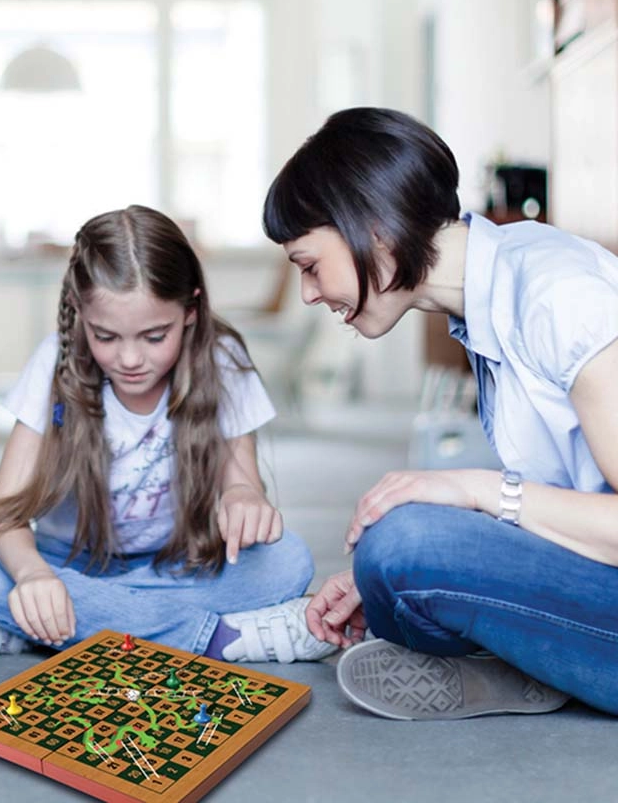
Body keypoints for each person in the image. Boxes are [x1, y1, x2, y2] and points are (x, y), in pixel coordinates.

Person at [263, 106, 618, 720]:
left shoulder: (560, 296)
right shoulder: (490, 293)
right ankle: (530, 664)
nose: (309, 293)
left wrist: (475, 492)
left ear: (373, 227)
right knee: (391, 551)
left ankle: (526, 662)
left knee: (405, 542)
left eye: (310, 266)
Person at [0, 205, 335, 664]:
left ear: (191, 310)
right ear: (79, 311)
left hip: (178, 565)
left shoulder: (223, 360)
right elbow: (3, 515)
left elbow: (244, 486)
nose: (129, 360)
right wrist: (31, 575)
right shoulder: (54, 363)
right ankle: (220, 639)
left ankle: (43, 630)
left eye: (154, 336)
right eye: (106, 337)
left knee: (288, 560)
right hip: (71, 564)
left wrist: (243, 499)